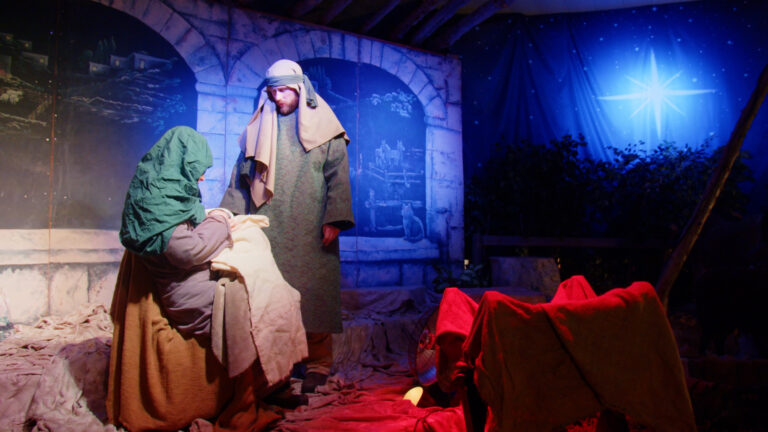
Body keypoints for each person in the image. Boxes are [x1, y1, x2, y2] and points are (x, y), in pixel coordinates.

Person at [108, 126, 281, 431]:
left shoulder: (170, 189)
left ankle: (269, 385)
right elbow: (188, 252)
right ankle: (243, 402)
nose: (201, 178)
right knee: (244, 304)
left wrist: (213, 223)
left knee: (264, 288)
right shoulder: (154, 202)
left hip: (192, 277)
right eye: (198, 170)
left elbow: (192, 237)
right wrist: (221, 219)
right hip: (183, 292)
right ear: (180, 162)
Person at [220, 59, 354, 394]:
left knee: (314, 295)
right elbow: (240, 179)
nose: (278, 97)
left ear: (299, 88)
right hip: (269, 224)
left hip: (312, 225)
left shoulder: (326, 127)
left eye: (283, 90)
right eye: (272, 92)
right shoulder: (259, 127)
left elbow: (338, 177)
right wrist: (229, 216)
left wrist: (334, 219)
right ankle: (278, 365)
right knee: (271, 296)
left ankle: (318, 365)